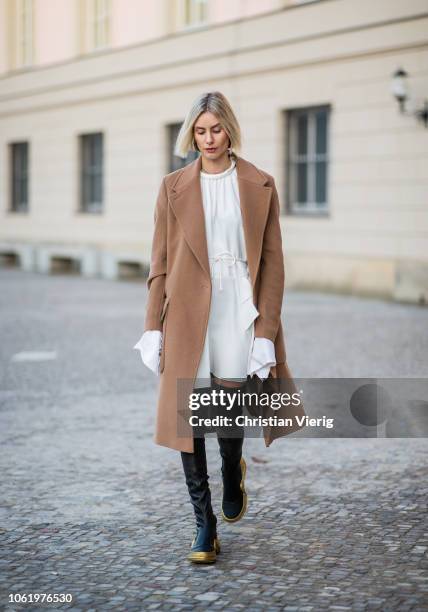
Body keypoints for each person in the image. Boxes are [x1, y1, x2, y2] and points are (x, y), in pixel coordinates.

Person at [134, 91, 288, 564]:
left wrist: (266, 332)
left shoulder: (260, 183)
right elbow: (160, 262)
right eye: (199, 131)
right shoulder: (172, 186)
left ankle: (231, 467)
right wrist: (152, 326)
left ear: (229, 129)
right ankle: (204, 524)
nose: (208, 139)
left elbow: (273, 263)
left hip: (237, 304)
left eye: (215, 129)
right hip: (185, 309)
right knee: (189, 415)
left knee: (227, 402)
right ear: (191, 134)